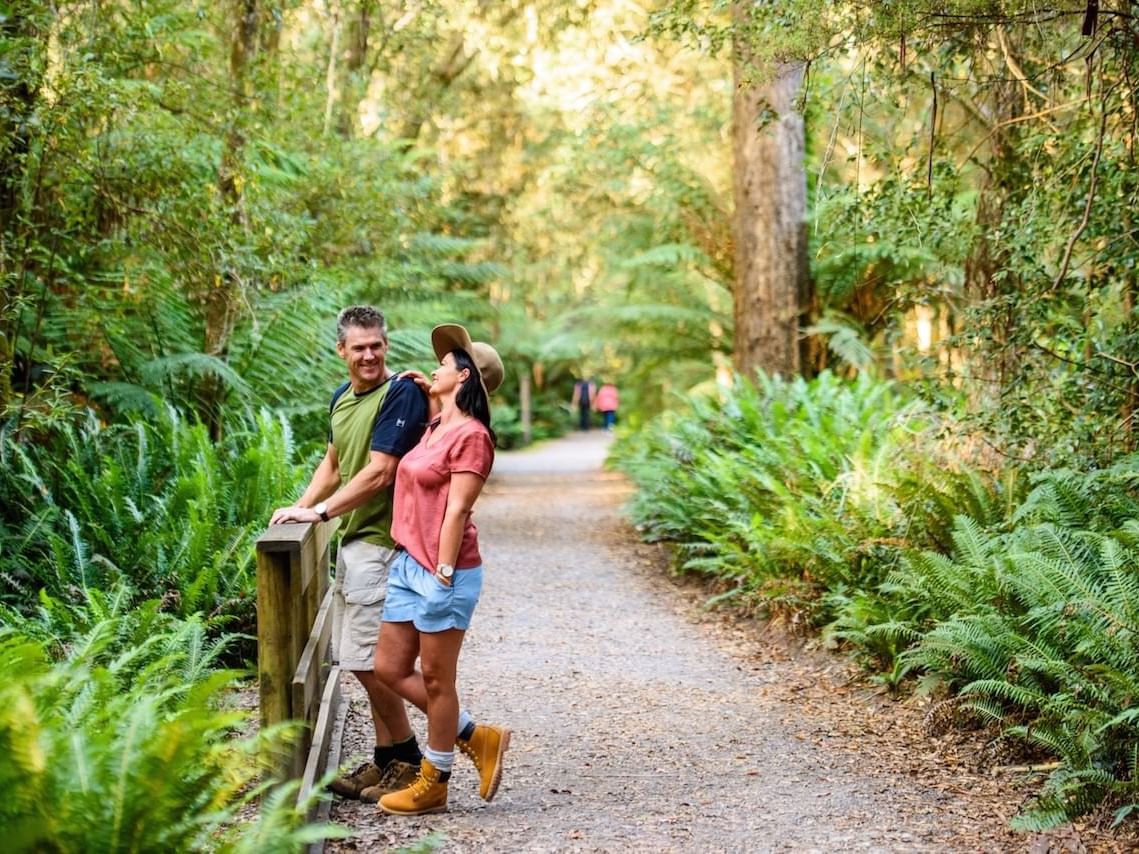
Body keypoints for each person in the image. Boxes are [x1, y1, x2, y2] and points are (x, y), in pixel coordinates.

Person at [270, 305, 429, 802]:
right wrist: (300, 507)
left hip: (383, 543)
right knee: (358, 659)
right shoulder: (342, 398)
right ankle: (388, 763)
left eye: (376, 345)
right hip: (355, 542)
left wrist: (320, 516)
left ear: (386, 344)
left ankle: (412, 757)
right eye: (358, 347)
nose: (369, 355)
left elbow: (382, 471)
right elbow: (334, 464)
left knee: (367, 660)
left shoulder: (400, 392)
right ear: (341, 350)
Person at [373, 323, 510, 816]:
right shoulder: (436, 425)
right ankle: (476, 735)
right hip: (408, 564)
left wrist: (445, 571)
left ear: (465, 376)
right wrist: (427, 390)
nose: (436, 365)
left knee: (435, 681)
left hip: (443, 571)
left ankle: (434, 781)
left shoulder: (474, 438)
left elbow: (457, 510)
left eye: (445, 362)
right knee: (387, 667)